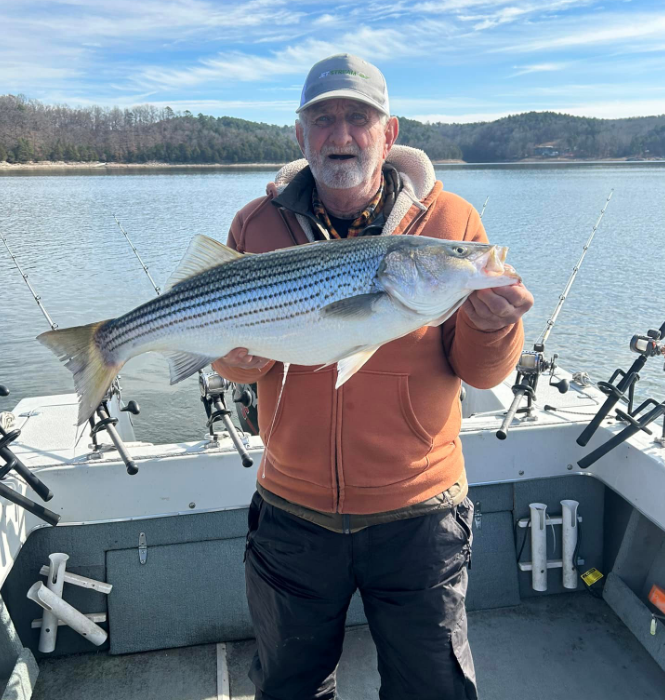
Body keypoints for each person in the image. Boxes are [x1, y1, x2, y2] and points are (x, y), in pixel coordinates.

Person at [212, 54, 533, 700]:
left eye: (358, 119)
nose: (340, 136)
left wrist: (495, 325)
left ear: (388, 135)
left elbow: (477, 370)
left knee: (431, 689)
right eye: (322, 119)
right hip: (291, 511)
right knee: (288, 687)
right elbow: (228, 349)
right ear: (299, 136)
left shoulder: (450, 224)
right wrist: (233, 358)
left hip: (420, 513)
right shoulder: (256, 223)